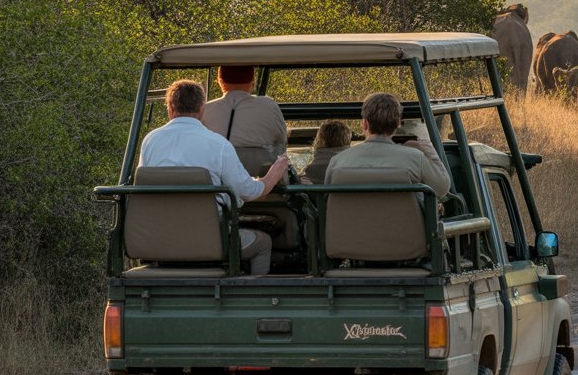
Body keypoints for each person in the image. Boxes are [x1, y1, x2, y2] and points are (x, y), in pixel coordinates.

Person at [139, 79, 289, 273]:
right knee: (264, 243)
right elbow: (250, 192)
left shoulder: (150, 141)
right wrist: (273, 174)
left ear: (170, 108)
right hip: (208, 241)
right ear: (202, 109)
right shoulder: (218, 144)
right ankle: (252, 299)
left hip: (159, 239)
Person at [325, 92, 451, 198]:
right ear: (397, 124)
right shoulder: (416, 159)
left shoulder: (338, 161)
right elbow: (442, 189)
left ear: (364, 124)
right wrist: (429, 151)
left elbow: (328, 200)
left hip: (348, 227)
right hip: (403, 226)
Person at [203, 65, 288, 172]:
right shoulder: (270, 106)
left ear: (219, 81)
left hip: (218, 181)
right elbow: (282, 144)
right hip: (263, 180)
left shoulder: (205, 109)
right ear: (253, 80)